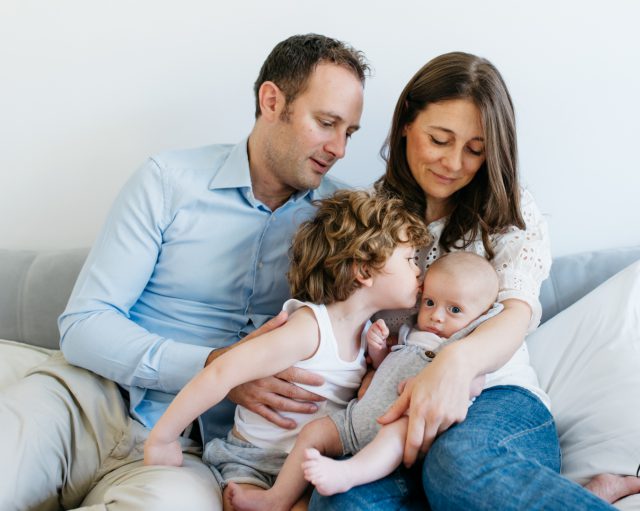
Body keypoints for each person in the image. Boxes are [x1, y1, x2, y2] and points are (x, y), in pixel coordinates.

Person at [0, 34, 367, 511]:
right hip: (89, 401)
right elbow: (84, 324)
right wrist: (216, 368)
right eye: (326, 123)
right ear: (272, 100)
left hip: (194, 454)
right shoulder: (168, 181)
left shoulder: (341, 221)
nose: (338, 148)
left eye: (350, 133)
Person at [308, 52, 640, 511]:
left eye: (475, 149)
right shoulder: (368, 216)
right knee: (341, 504)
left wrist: (453, 365)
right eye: (440, 139)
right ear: (406, 121)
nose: (454, 162)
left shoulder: (509, 212)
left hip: (496, 402)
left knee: (457, 465)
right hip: (393, 420)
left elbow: (516, 315)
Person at [144, 190, 432, 511]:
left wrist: (378, 358)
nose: (419, 270)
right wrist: (164, 437)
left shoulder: (367, 334)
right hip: (253, 461)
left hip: (305, 468)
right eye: (409, 260)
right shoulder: (308, 328)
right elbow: (221, 372)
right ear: (363, 271)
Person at [224, 251, 500, 511]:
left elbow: (470, 385)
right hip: (355, 419)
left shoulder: (463, 348)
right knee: (314, 432)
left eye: (454, 310)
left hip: (399, 423)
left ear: (480, 317)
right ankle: (276, 498)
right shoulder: (411, 332)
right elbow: (386, 370)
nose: (437, 316)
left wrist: (431, 383)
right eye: (430, 303)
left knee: (394, 436)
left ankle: (349, 473)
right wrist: (378, 348)